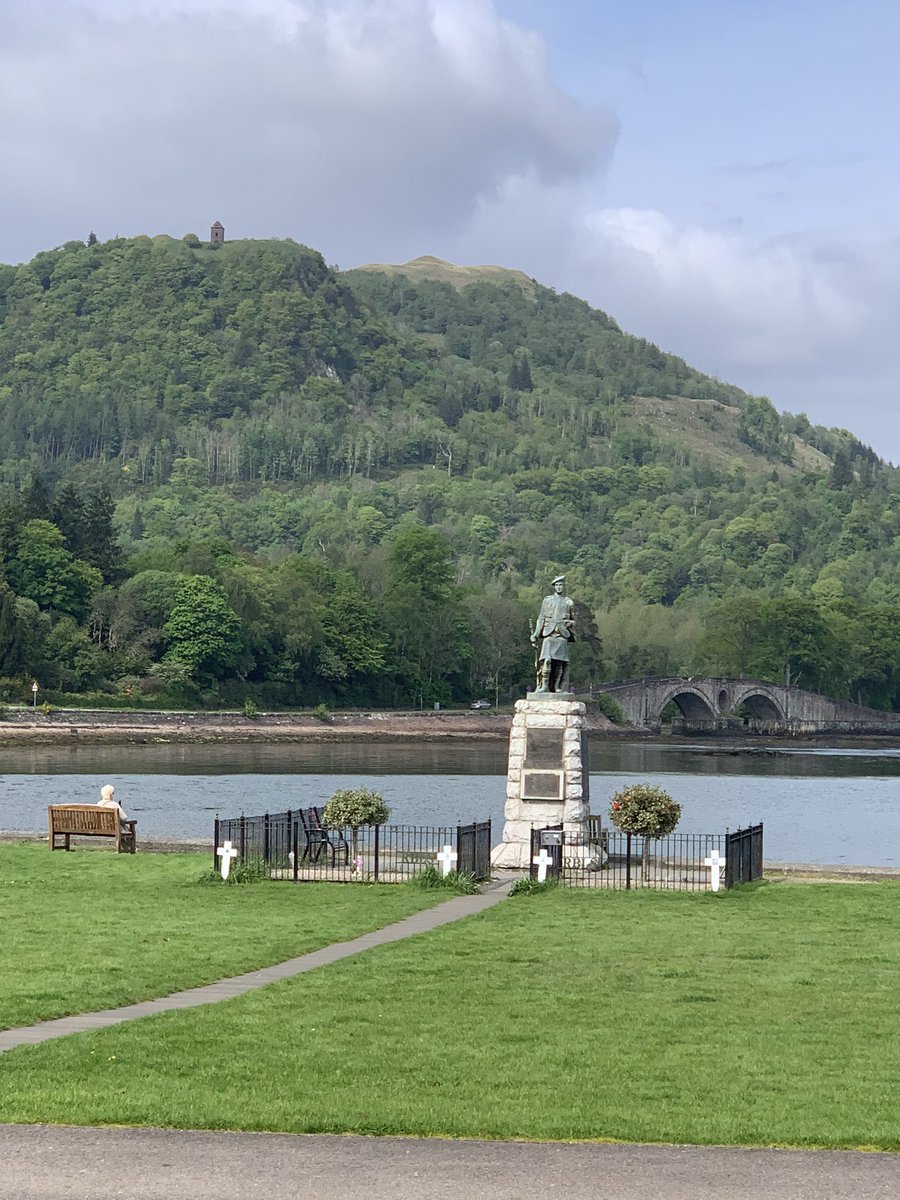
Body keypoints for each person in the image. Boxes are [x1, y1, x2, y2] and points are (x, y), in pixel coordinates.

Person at [530, 574, 576, 693]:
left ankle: (557, 686)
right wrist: (535, 634)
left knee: (560, 663)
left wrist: (569, 623)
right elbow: (541, 618)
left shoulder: (568, 602)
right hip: (549, 634)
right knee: (547, 660)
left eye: (561, 585)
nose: (559, 587)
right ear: (554, 587)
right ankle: (544, 685)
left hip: (561, 634)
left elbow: (574, 620)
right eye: (557, 585)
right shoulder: (547, 600)